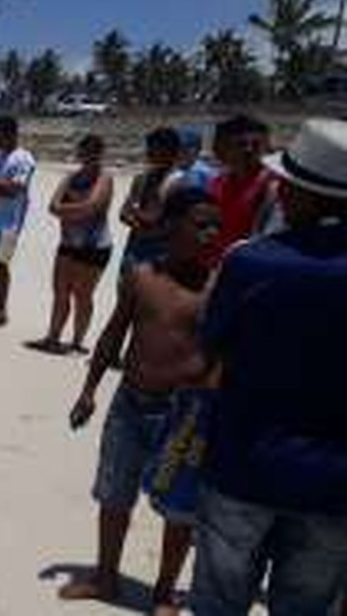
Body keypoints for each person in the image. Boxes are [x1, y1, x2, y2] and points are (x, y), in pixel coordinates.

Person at [190, 119, 347, 616]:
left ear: (298, 190)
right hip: (333, 482)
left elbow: (209, 355)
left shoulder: (252, 263)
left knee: (219, 600)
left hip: (244, 462)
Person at [61, 188, 221, 615]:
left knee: (179, 509)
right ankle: (106, 576)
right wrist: (89, 389)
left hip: (184, 414)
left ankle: (165, 590)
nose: (211, 234)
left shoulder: (216, 289)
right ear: (170, 226)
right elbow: (115, 333)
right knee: (114, 494)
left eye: (215, 226)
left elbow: (224, 352)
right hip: (129, 403)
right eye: (201, 224)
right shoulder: (140, 276)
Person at [27, 135, 114, 355]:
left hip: (94, 246)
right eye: (85, 151)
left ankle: (77, 343)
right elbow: (52, 206)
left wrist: (68, 209)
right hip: (68, 243)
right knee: (60, 292)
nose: (88, 156)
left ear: (100, 154)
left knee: (83, 295)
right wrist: (79, 209)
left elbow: (93, 206)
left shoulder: (105, 178)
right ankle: (53, 337)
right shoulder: (71, 177)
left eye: (94, 152)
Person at [0, 115, 36, 326]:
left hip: (10, 222)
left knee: (1, 264)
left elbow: (14, 189)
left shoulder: (24, 158)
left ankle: (2, 310)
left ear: (10, 133)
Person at [207, 114, 280, 251]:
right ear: (225, 148)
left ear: (266, 147)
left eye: (256, 144)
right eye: (241, 144)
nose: (249, 150)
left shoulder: (273, 186)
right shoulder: (217, 183)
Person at [119, 127, 183, 274]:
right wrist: (143, 218)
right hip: (135, 248)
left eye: (153, 149)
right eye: (149, 148)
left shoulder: (178, 183)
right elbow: (123, 213)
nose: (148, 153)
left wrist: (135, 213)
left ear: (169, 151)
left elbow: (156, 219)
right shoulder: (141, 179)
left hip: (159, 253)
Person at [174, 127, 216, 191]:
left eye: (186, 151)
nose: (181, 154)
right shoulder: (170, 171)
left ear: (197, 150)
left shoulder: (206, 173)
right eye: (179, 150)